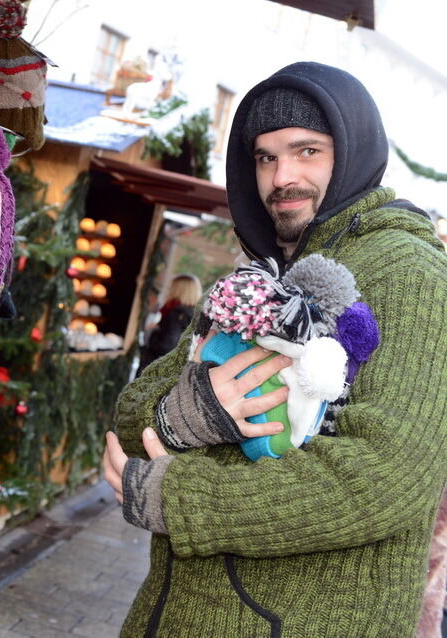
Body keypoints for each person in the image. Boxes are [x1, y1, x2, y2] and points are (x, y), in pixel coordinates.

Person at [101, 61, 447, 637]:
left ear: (352, 149)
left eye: (306, 150)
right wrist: (190, 415)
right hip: (176, 616)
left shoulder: (411, 274)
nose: (281, 176)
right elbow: (133, 413)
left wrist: (184, 500)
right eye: (265, 157)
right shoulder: (257, 277)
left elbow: (387, 479)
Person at [138, 274, 201, 373]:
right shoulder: (192, 314)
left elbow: (166, 344)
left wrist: (153, 332)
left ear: (179, 290)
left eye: (172, 287)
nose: (169, 290)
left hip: (156, 367)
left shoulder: (175, 313)